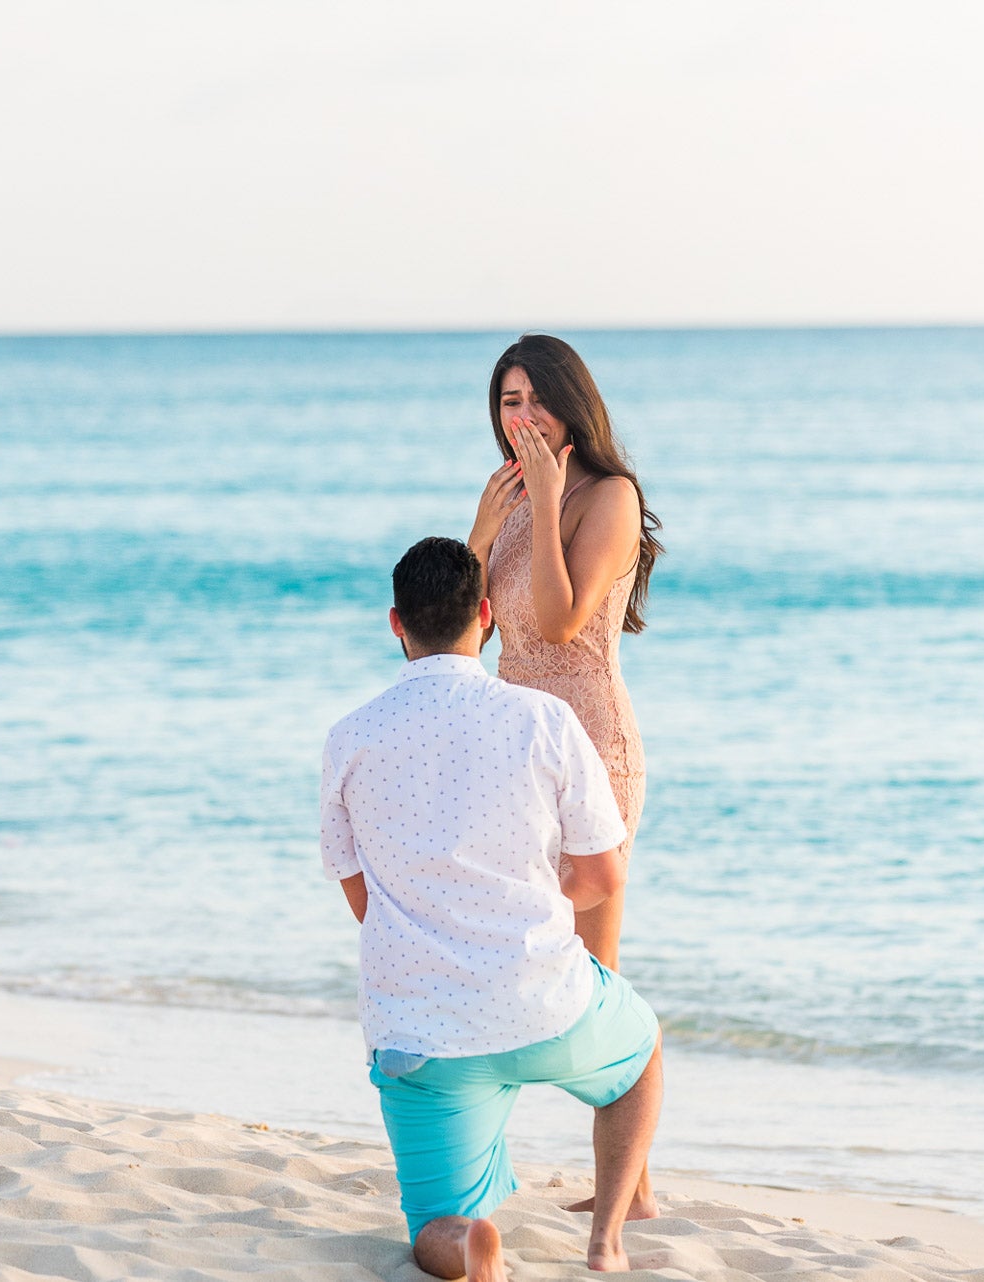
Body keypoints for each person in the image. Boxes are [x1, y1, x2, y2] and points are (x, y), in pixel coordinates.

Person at [321, 537, 665, 1280]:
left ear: (394, 623)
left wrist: (431, 929)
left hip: (422, 1034)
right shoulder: (543, 718)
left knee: (435, 1226)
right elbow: (603, 874)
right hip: (543, 1002)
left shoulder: (349, 737)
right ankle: (608, 1236)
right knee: (638, 1060)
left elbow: (356, 890)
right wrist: (538, 907)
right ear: (485, 615)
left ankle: (471, 1247)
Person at [466, 334, 663, 973]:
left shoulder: (611, 497)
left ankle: (638, 1071)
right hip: (512, 750)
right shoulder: (511, 502)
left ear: (574, 405)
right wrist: (481, 535)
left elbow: (557, 623)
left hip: (590, 747)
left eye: (542, 399)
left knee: (585, 979)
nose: (526, 416)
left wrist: (548, 505)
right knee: (514, 967)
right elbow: (467, 635)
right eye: (511, 401)